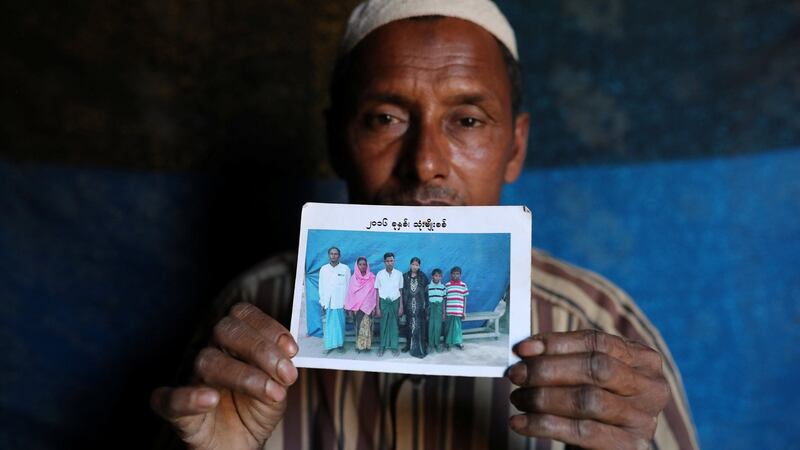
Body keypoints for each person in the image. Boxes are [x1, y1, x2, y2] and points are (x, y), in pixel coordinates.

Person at [151, 1, 699, 449]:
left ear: (515, 146)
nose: (425, 162)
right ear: (338, 144)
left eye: (466, 120)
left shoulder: (605, 326)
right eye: (386, 118)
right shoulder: (247, 315)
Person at [318, 246, 350, 354]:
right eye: (331, 253)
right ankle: (329, 346)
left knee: (340, 324)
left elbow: (349, 286)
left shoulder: (345, 269)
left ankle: (340, 345)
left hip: (340, 302)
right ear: (328, 255)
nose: (333, 255)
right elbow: (321, 286)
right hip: (328, 302)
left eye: (335, 254)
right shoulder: (324, 269)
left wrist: (347, 303)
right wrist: (322, 302)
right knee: (328, 325)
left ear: (339, 256)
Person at [344, 256, 377, 353]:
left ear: (367, 266)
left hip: (369, 308)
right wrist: (349, 309)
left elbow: (374, 293)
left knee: (367, 326)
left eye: (364, 264)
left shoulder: (371, 277)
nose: (362, 266)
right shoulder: (353, 279)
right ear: (357, 265)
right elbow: (350, 294)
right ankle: (359, 346)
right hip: (356, 309)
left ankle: (367, 346)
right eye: (360, 264)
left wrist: (374, 307)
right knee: (358, 327)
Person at [374, 252, 403, 357]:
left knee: (394, 325)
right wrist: (377, 307)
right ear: (384, 262)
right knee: (383, 325)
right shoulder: (380, 274)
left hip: (395, 302)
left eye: (391, 261)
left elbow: (400, 291)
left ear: (394, 261)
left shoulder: (399, 274)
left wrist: (401, 306)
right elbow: (377, 292)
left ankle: (394, 347)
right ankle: (382, 346)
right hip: (384, 303)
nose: (389, 263)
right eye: (387, 261)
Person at [400, 256, 429, 358]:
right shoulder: (405, 276)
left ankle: (419, 346)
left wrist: (425, 306)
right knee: (408, 326)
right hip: (408, 306)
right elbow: (402, 291)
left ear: (419, 266)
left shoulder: (423, 277)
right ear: (410, 265)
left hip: (419, 307)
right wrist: (402, 306)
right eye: (413, 264)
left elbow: (426, 293)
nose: (414, 266)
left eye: (417, 265)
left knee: (418, 327)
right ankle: (408, 345)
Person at [444, 266, 469, 351]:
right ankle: (448, 343)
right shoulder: (447, 285)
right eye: (454, 274)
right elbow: (445, 299)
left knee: (457, 328)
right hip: (449, 310)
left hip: (458, 311)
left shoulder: (463, 285)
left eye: (457, 274)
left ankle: (458, 342)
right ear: (451, 275)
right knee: (448, 328)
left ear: (460, 275)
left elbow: (465, 298)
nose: (455, 275)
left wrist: (464, 311)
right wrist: (444, 312)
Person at [427, 268, 446, 353]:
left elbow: (444, 301)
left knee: (438, 327)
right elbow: (426, 300)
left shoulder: (443, 287)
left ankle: (437, 344)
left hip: (439, 309)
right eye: (436, 276)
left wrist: (444, 313)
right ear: (432, 276)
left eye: (439, 276)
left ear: (441, 277)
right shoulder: (428, 287)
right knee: (431, 327)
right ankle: (430, 345)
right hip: (431, 308)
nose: (437, 278)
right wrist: (426, 312)